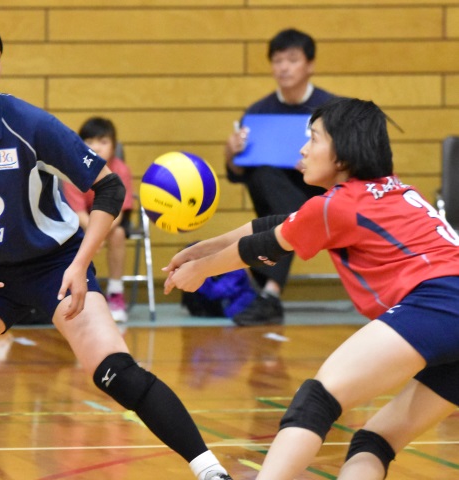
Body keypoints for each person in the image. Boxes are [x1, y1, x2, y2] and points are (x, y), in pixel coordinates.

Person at [0, 18, 232, 480]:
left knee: (116, 372)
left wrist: (80, 263)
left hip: (56, 266)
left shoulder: (27, 122)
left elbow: (109, 188)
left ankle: (211, 470)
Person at [164, 97, 459, 480]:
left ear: (343, 154)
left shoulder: (338, 205)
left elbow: (264, 246)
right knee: (375, 439)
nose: (303, 149)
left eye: (314, 138)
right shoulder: (388, 191)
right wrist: (201, 249)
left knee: (318, 399)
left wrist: (200, 272)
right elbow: (275, 225)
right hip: (447, 303)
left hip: (438, 302)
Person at [224, 28, 335, 326]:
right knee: (271, 186)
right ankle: (270, 293)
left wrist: (316, 165)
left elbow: (350, 164)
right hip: (276, 196)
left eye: (292, 60)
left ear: (310, 65)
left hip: (323, 192)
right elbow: (239, 174)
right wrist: (231, 153)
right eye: (277, 60)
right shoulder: (258, 112)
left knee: (284, 213)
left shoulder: (331, 109)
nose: (284, 67)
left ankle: (267, 293)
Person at [62, 117, 133, 322]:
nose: (96, 147)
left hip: (111, 221)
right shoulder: (74, 168)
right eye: (89, 141)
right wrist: (93, 234)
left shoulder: (121, 169)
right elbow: (78, 211)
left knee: (118, 234)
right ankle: (75, 293)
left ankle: (116, 292)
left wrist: (99, 234)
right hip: (81, 221)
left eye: (103, 141)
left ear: (114, 145)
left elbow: (118, 212)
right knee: (69, 238)